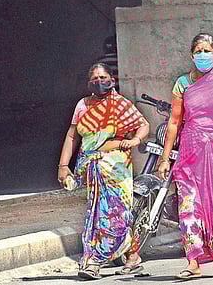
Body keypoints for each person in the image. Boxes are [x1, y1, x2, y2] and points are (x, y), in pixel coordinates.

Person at [158, 33, 213, 279]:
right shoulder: (183, 84)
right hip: (190, 152)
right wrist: (166, 158)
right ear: (191, 55)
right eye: (198, 51)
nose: (202, 55)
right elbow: (175, 122)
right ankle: (194, 261)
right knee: (189, 206)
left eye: (207, 51)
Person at [58, 63, 150, 279]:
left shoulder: (121, 105)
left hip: (117, 169)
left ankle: (94, 262)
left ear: (112, 80)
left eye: (103, 77)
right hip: (92, 168)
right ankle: (131, 256)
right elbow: (73, 136)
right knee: (97, 214)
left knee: (115, 213)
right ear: (89, 83)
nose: (99, 82)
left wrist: (135, 140)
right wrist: (63, 166)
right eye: (95, 79)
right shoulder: (83, 105)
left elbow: (143, 125)